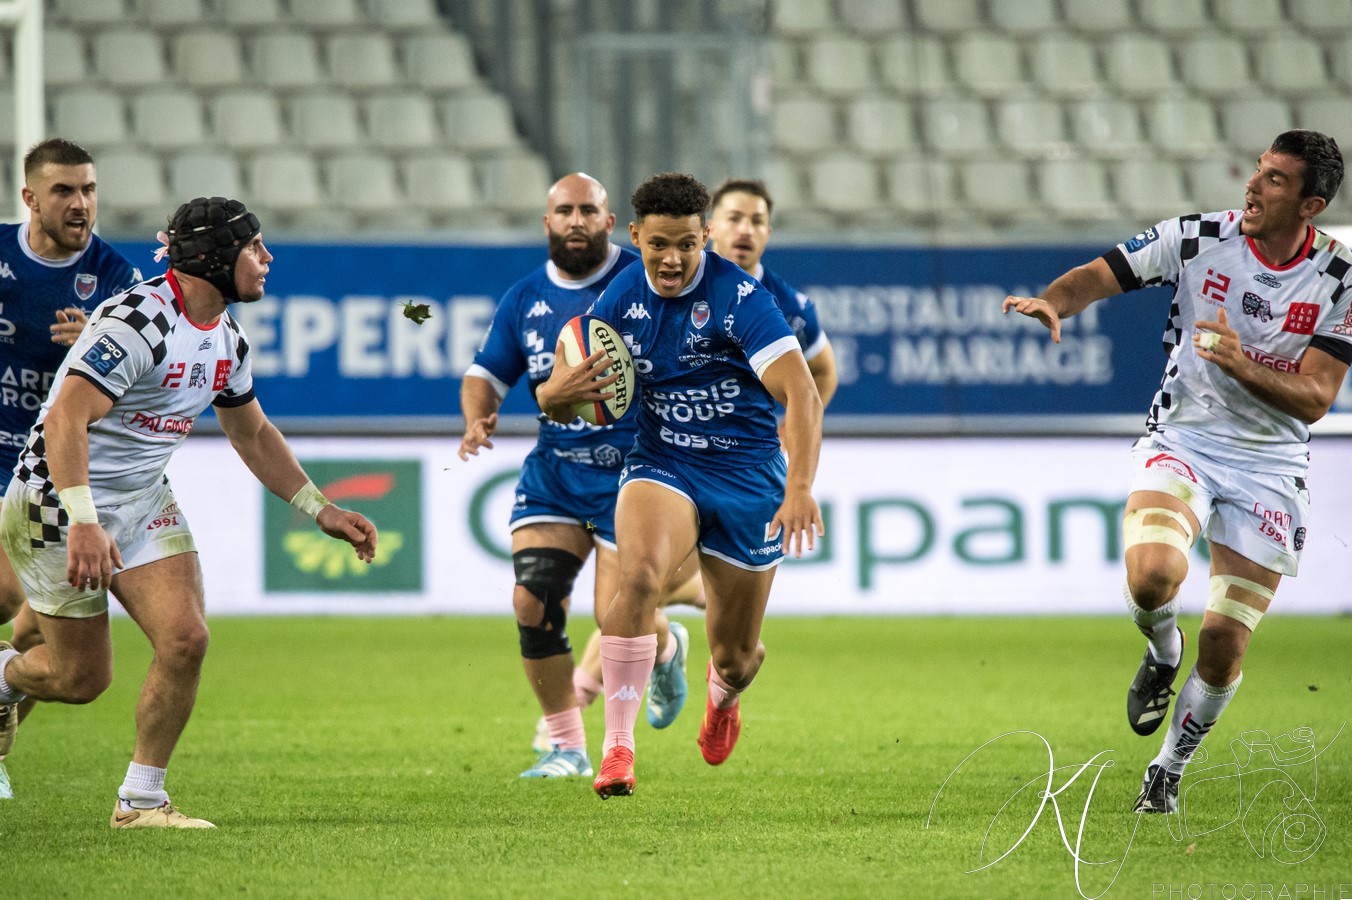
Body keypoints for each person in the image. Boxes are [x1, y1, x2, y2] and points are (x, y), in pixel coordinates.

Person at [0, 196, 378, 828]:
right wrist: (85, 519)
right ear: (214, 258)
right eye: (255, 246)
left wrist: (320, 508)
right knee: (81, 680)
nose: (267, 258)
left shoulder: (227, 337)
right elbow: (67, 416)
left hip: (143, 499)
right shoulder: (140, 320)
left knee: (186, 639)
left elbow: (251, 434)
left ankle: (141, 801)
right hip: (56, 504)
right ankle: (7, 676)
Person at [1003, 130, 1351, 814]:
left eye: (1275, 181)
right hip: (1183, 437)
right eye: (1257, 171)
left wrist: (1237, 361)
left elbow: (1316, 397)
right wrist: (1054, 302)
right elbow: (1097, 276)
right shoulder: (1196, 238)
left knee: (1224, 643)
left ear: (1310, 206)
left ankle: (1168, 769)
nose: (1253, 186)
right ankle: (1164, 651)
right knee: (1154, 573)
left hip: (1271, 464)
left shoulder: (1341, 279)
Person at [538, 172, 824, 798]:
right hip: (663, 461)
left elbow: (802, 393)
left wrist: (799, 485)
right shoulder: (617, 299)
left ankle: (725, 697)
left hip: (749, 478)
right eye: (658, 244)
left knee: (736, 656)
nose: (671, 260)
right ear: (636, 235)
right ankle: (618, 748)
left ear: (705, 240)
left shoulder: (742, 298)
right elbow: (568, 391)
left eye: (687, 246)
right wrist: (553, 393)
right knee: (637, 579)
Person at [459, 173, 695, 780]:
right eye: (564, 210)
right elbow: (485, 372)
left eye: (588, 210)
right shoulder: (523, 299)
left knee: (619, 615)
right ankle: (566, 746)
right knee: (531, 601)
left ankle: (667, 651)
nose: (575, 220)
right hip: (557, 474)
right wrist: (476, 415)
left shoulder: (642, 284)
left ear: (611, 222)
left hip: (635, 474)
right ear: (547, 222)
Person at [0, 139, 144, 789]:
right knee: (6, 595)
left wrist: (97, 341)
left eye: (88, 189)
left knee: (41, 631)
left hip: (56, 463)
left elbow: (144, 384)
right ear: (30, 198)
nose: (81, 203)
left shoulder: (117, 281)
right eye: (64, 191)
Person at [707, 178, 838, 408]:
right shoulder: (678, 284)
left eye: (756, 222)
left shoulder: (790, 309)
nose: (746, 230)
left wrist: (790, 431)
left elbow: (824, 373)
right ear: (711, 229)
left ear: (767, 234)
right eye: (734, 218)